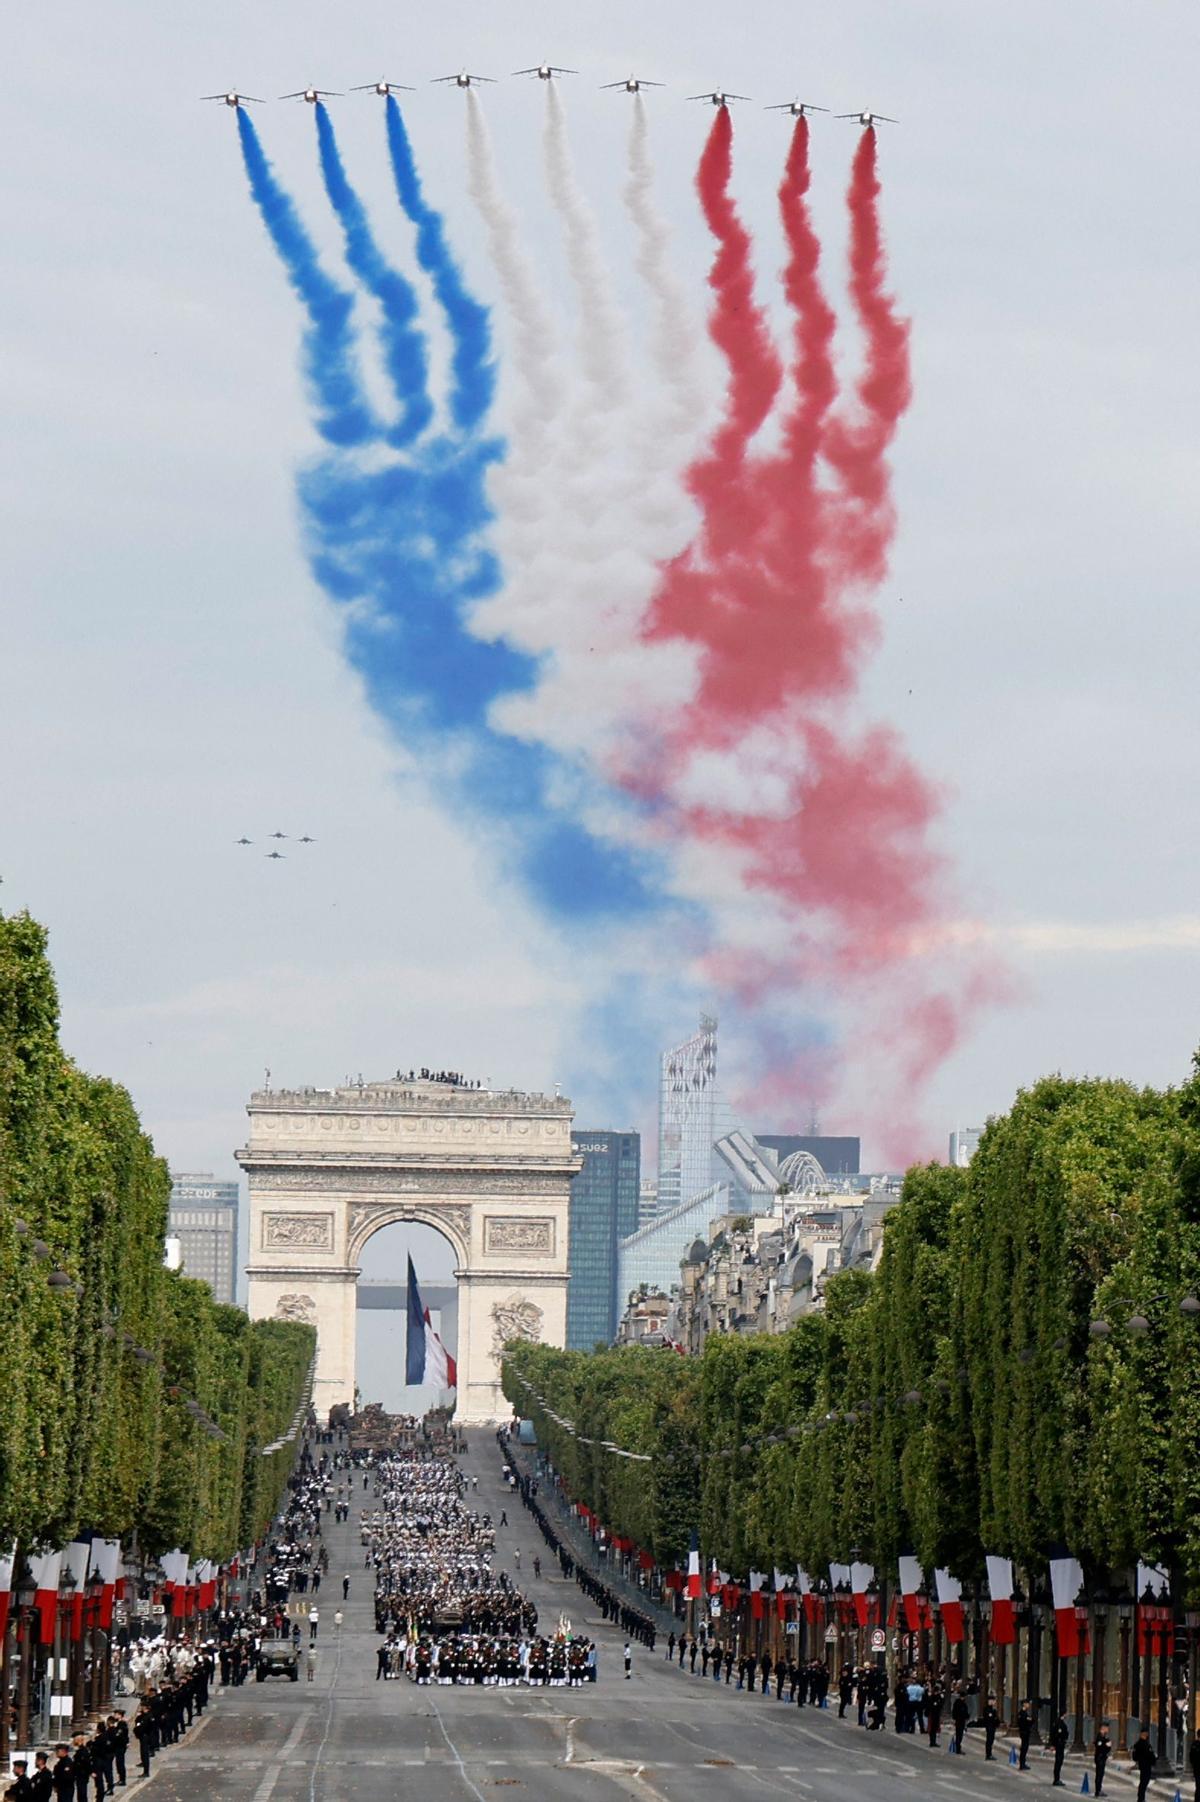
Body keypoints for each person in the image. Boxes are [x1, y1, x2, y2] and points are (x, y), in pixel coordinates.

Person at [1131, 1728, 1155, 1802]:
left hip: (1143, 1764)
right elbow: (1150, 1755)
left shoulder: (1138, 1744)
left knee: (1143, 1781)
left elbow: (1134, 1756)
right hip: (1146, 1765)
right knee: (1144, 1782)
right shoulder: (1145, 1745)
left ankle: (1141, 1797)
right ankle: (1141, 1798)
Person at [1094, 1722, 1112, 1796]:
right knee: (1099, 1774)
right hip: (1100, 1758)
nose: (1108, 1729)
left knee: (1100, 1774)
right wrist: (1107, 1745)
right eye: (1107, 1728)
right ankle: (1098, 1791)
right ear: (1103, 1728)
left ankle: (1099, 1789)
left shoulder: (1103, 1737)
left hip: (1102, 1757)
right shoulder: (1100, 1737)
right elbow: (1100, 1747)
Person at [1051, 1710, 1068, 1786]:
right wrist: (1054, 1745)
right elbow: (1057, 1734)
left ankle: (1057, 1778)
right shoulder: (1059, 1723)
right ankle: (1056, 1779)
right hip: (1059, 1744)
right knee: (1058, 1761)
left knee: (1059, 1761)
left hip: (1059, 1744)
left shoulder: (1058, 1722)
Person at [982, 1695, 1000, 1760]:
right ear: (990, 1701)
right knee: (989, 1741)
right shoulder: (987, 1709)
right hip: (989, 1727)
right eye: (993, 1701)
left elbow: (996, 1718)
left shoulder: (993, 1709)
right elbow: (989, 1719)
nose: (994, 1702)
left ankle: (989, 1754)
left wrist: (997, 1722)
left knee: (991, 1741)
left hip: (993, 1727)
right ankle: (988, 1755)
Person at [952, 1690, 969, 1755]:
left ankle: (957, 1747)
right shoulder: (961, 1704)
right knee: (959, 1735)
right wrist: (966, 1716)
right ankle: (958, 1748)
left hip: (959, 1720)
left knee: (959, 1734)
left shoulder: (957, 1703)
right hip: (960, 1721)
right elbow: (963, 1713)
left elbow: (954, 1711)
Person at [1017, 1702, 1033, 1770]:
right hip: (1024, 1732)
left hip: (1024, 1732)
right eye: (1027, 1704)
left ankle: (1023, 1763)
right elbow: (1026, 1722)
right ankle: (1022, 1764)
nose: (1029, 1705)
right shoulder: (1023, 1713)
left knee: (1024, 1748)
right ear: (1024, 1704)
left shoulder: (1024, 1713)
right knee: (1024, 1748)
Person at [1190, 1728, 1200, 1802]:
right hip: (1198, 1769)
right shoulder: (1195, 1744)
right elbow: (1192, 1757)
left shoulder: (1194, 1744)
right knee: (1198, 1787)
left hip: (1196, 1769)